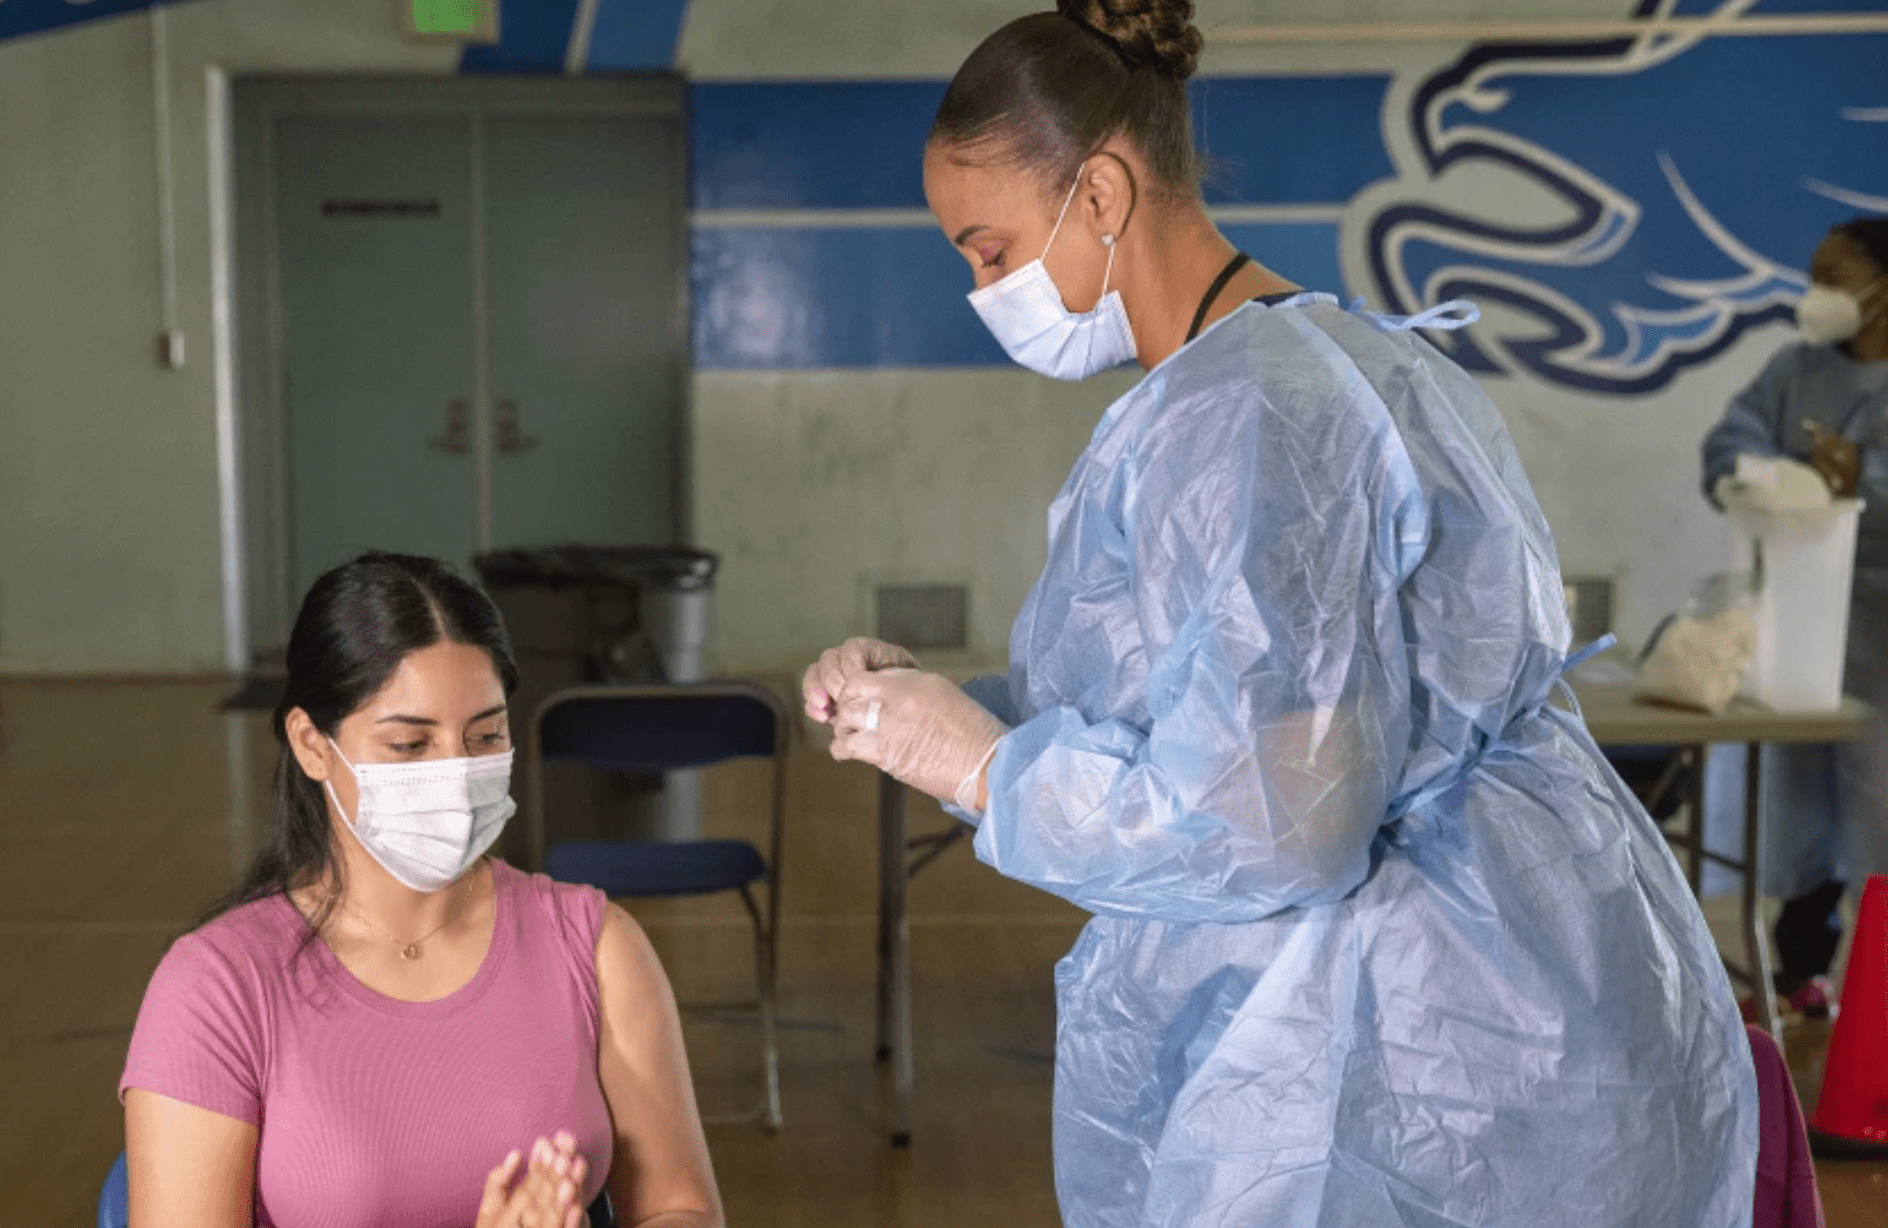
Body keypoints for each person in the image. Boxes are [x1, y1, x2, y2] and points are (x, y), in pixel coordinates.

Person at [803, 3, 1757, 1225]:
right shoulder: (1325, 364)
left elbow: (1276, 823)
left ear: (1098, 195)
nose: (983, 288)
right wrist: (943, 710)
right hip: (1524, 979)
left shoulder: (1244, 414)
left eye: (988, 250)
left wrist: (983, 764)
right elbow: (1200, 708)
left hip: (1429, 1049)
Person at [121, 552, 722, 1228]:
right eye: (410, 745)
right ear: (313, 744)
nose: (458, 776)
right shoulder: (216, 988)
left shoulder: (595, 945)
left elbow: (682, 1208)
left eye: (486, 735)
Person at [1701, 216, 1888, 1019]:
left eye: (1833, 278)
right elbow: (1728, 444)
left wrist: (1864, 480)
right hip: (1804, 619)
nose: (1816, 294)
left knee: (1878, 796)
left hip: (1881, 621)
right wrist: (1777, 475)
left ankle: (1874, 984)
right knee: (1799, 797)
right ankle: (1801, 967)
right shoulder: (1794, 370)